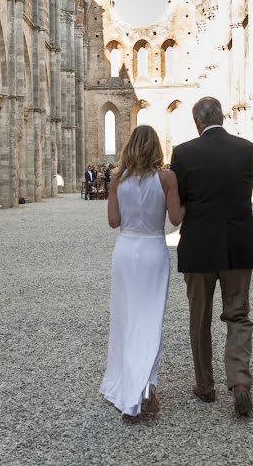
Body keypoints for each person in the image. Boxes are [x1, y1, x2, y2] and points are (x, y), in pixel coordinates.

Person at [170, 97, 253, 417]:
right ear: (222, 118)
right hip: (239, 243)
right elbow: (242, 192)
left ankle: (205, 386)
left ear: (197, 122)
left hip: (199, 246)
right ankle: (239, 381)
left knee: (199, 318)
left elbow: (181, 202)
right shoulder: (246, 150)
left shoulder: (184, 153)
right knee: (238, 315)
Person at [100, 126, 183, 422]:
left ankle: (127, 384)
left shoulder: (117, 179)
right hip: (151, 251)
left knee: (125, 318)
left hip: (125, 250)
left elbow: (113, 221)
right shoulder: (166, 178)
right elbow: (175, 219)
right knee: (149, 320)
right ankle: (145, 389)